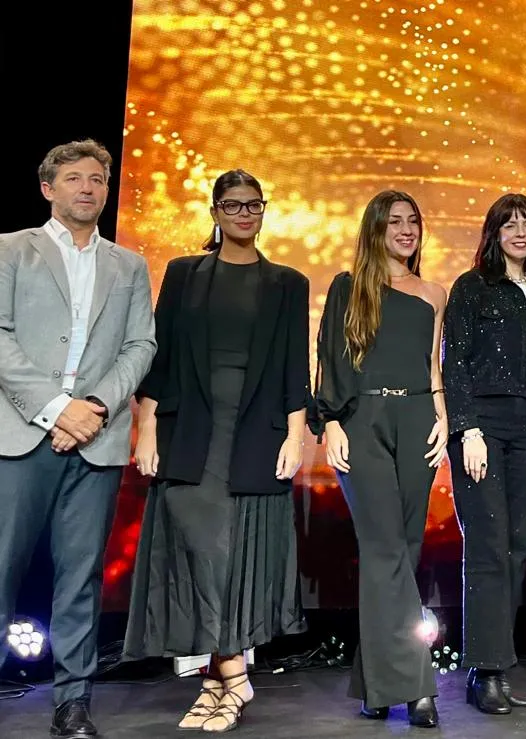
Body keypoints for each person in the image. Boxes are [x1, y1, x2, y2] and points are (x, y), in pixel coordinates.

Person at [124, 169, 310, 732]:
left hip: (254, 434)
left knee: (233, 561)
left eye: (254, 205)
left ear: (263, 211)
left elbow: (293, 365)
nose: (244, 214)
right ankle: (233, 675)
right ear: (215, 212)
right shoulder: (184, 274)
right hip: (189, 433)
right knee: (200, 554)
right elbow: (162, 355)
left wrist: (296, 435)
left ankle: (215, 682)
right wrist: (147, 429)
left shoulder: (287, 282)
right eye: (233, 205)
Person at [0, 139, 156, 738]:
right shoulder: (14, 250)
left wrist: (93, 407)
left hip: (97, 437)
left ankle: (73, 704)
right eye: (74, 178)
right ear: (49, 188)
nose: (88, 187)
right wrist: (57, 409)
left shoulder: (128, 264)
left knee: (81, 576)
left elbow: (141, 344)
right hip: (23, 434)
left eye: (98, 178)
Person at [314, 190, 449, 728]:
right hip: (363, 421)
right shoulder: (350, 287)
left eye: (413, 221)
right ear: (375, 229)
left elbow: (432, 366)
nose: (406, 229)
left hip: (419, 421)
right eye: (395, 221)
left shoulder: (435, 293)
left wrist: (443, 420)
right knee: (385, 547)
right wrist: (331, 422)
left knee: (402, 550)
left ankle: (374, 684)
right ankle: (417, 686)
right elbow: (329, 359)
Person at [442, 193, 526, 714]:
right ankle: (485, 671)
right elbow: (456, 365)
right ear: (493, 233)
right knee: (489, 545)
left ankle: (497, 663)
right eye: (509, 224)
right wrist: (467, 429)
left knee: (517, 545)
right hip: (484, 425)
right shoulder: (472, 288)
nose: (520, 232)